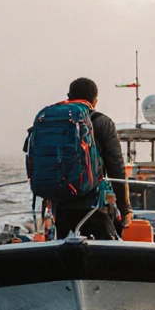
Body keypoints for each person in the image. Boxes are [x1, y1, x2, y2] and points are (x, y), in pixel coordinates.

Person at [50, 77, 133, 240]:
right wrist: (125, 210)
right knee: (107, 250)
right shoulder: (103, 123)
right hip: (94, 207)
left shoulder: (55, 123)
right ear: (95, 101)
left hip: (62, 208)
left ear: (69, 97)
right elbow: (116, 169)